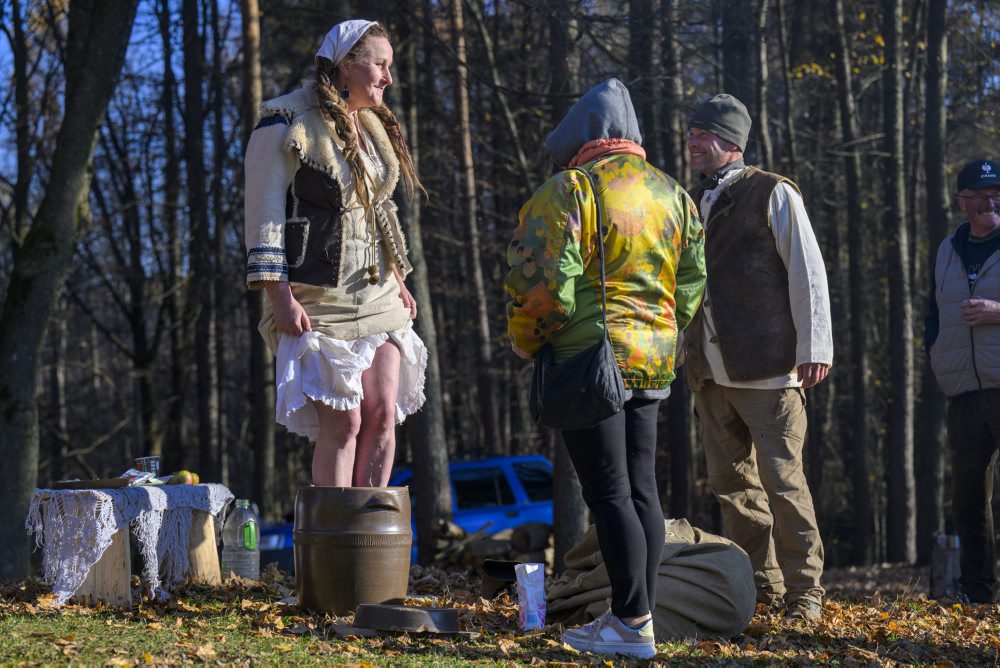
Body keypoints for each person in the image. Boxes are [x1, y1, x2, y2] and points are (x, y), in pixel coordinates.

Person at [505, 78, 707, 659]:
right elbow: (690, 283)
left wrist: (526, 337)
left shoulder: (573, 187)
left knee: (609, 491)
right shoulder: (673, 194)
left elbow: (542, 281)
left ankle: (631, 623)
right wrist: (661, 331)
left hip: (589, 358)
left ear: (583, 138)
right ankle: (636, 618)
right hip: (652, 360)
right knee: (642, 489)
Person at [243, 20, 426, 487]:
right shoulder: (285, 120)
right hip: (319, 298)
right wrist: (279, 296)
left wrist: (398, 276)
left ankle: (369, 541)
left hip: (379, 295)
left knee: (383, 414)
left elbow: (378, 208)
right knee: (344, 423)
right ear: (347, 64)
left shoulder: (372, 127)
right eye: (379, 64)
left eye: (390, 66)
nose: (388, 77)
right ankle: (335, 544)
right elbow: (263, 212)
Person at [683, 94, 833, 621]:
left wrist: (815, 348)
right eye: (691, 134)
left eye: (701, 135)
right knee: (733, 488)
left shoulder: (774, 192)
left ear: (729, 142)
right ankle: (763, 591)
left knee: (784, 483)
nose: (692, 143)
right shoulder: (690, 199)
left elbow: (807, 271)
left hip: (769, 368)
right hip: (708, 371)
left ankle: (805, 593)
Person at [925, 158, 1000, 604]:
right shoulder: (946, 249)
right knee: (968, 500)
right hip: (964, 392)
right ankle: (977, 591)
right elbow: (933, 311)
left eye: (997, 195)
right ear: (962, 202)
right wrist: (934, 351)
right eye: (980, 196)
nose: (990, 203)